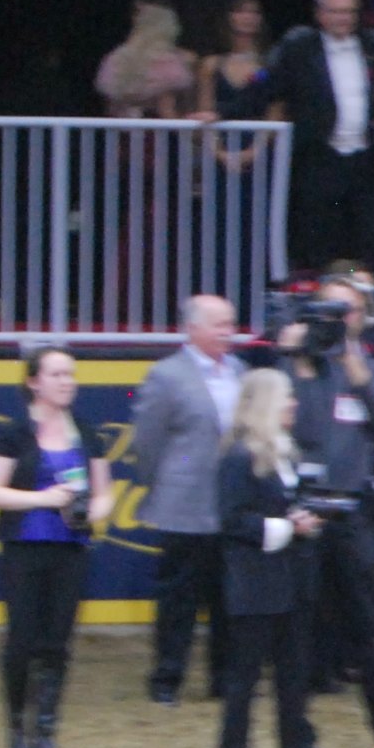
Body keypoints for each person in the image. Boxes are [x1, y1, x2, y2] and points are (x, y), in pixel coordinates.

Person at [277, 273, 374, 748]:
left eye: (351, 312)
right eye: (331, 312)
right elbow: (286, 425)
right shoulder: (293, 366)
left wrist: (352, 367)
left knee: (369, 628)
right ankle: (298, 735)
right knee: (297, 627)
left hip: (352, 509)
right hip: (302, 509)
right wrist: (297, 358)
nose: (341, 322)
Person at [0, 346, 114, 748]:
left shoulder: (87, 435)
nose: (66, 382)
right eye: (56, 375)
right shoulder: (15, 434)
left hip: (70, 549)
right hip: (23, 549)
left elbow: (105, 495)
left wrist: (90, 511)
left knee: (58, 641)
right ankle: (17, 727)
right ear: (34, 382)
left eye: (70, 374)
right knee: (21, 640)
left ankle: (47, 729)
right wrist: (44, 499)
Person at [131, 294, 242, 704]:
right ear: (193, 329)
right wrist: (162, 485)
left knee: (229, 598)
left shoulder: (239, 372)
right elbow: (147, 441)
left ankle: (225, 677)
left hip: (230, 505)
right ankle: (167, 678)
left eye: (231, 323)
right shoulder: (166, 375)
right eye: (219, 324)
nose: (228, 331)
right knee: (178, 600)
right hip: (184, 506)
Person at [216, 368, 322, 748]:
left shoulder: (284, 452)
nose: (294, 404)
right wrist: (284, 527)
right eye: (287, 397)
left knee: (294, 678)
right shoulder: (239, 457)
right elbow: (232, 519)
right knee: (243, 677)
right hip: (255, 582)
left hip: (291, 580)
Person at [259, 0, 374, 272]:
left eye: (349, 12)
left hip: (365, 158)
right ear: (319, 14)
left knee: (371, 237)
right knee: (318, 237)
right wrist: (217, 112)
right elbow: (267, 87)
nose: (343, 18)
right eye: (336, 12)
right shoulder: (299, 48)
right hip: (319, 156)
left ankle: (366, 304)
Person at [95, 0, 195, 119]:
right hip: (142, 133)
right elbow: (168, 113)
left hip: (137, 132)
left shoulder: (116, 59)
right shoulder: (170, 62)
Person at [195, 0, 269, 121]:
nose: (247, 17)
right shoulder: (211, 64)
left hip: (258, 137)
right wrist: (216, 141)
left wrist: (258, 142)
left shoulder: (269, 66)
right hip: (217, 138)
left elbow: (274, 111)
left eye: (254, 12)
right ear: (229, 17)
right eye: (240, 11)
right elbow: (204, 111)